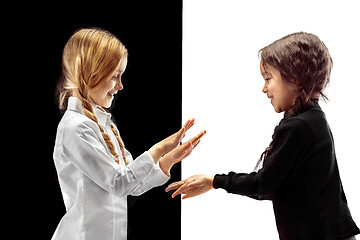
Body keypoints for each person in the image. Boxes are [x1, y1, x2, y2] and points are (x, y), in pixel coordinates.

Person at [166, 32, 359, 240]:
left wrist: (214, 181)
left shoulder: (300, 126)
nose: (264, 88)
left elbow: (263, 184)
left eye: (268, 79)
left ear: (294, 78)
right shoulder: (312, 120)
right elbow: (273, 186)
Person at [52, 28, 206, 240]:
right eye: (115, 76)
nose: (120, 85)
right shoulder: (75, 128)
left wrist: (169, 159)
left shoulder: (104, 124)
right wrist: (160, 148)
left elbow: (133, 185)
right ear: (91, 72)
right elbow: (119, 183)